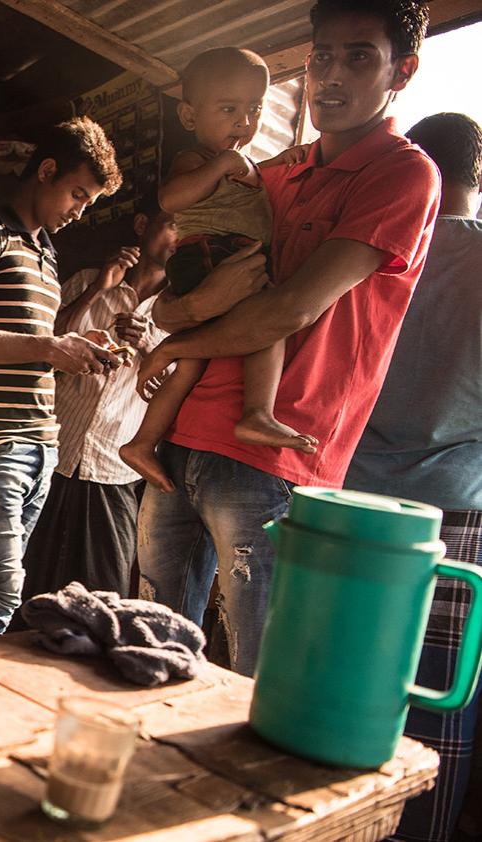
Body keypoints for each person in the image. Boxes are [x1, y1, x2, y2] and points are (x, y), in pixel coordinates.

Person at [133, 0, 439, 676]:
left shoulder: (403, 173)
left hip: (270, 454)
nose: (331, 74)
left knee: (257, 676)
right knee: (150, 660)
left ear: (403, 70)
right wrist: (182, 316)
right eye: (321, 55)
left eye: (359, 56)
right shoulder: (266, 172)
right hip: (180, 436)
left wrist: (179, 338)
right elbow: (171, 299)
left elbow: (290, 310)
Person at [0, 116, 124, 638]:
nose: (78, 212)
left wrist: (78, 344)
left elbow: (35, 339)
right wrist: (50, 347)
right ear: (47, 170)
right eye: (76, 194)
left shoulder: (44, 252)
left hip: (42, 443)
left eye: (89, 204)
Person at [344, 112, 482, 842]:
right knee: (438, 703)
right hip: (455, 518)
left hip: (350, 506)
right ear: (476, 177)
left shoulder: (371, 250)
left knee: (348, 682)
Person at [120, 48, 316, 494]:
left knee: (191, 361)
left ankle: (141, 442)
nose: (243, 122)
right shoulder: (194, 159)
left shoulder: (229, 163)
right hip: (212, 255)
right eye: (229, 109)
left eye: (254, 110)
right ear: (189, 116)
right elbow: (171, 200)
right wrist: (226, 164)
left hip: (216, 258)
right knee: (268, 321)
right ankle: (257, 413)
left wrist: (275, 164)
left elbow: (239, 184)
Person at [20, 193, 178, 599]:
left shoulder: (179, 310)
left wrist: (148, 345)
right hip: (51, 457)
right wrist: (96, 290)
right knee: (25, 582)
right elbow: (40, 343)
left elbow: (175, 388)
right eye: (174, 224)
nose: (180, 237)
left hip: (113, 471)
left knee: (101, 594)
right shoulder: (89, 279)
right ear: (143, 227)